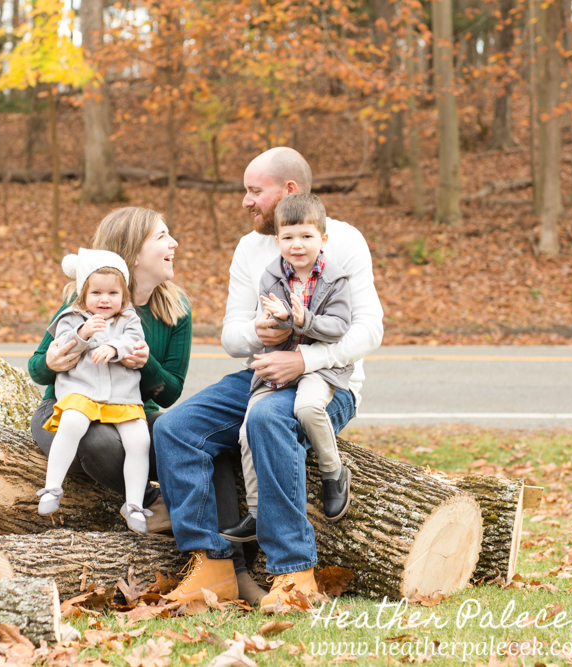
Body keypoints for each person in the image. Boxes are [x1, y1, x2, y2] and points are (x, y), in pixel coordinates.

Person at [154, 148, 384, 610]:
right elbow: (231, 334)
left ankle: (294, 573)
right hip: (264, 372)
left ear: (289, 191)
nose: (245, 201)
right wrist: (256, 332)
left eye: (255, 191)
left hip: (329, 383)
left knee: (268, 420)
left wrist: (305, 362)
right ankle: (214, 566)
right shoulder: (250, 248)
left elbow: (369, 329)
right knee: (175, 429)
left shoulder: (344, 240)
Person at [28, 207, 269, 603]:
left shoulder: (175, 310)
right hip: (66, 413)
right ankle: (159, 506)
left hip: (128, 412)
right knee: (98, 440)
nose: (173, 243)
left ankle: (232, 569)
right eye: (162, 236)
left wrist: (145, 364)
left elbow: (169, 392)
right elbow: (38, 368)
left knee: (208, 442)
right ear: (133, 254)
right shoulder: (87, 298)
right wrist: (52, 361)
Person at [219, 193, 353, 546]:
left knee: (307, 408)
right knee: (248, 430)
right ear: (277, 240)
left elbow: (339, 327)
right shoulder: (271, 277)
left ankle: (333, 471)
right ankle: (257, 511)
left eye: (307, 236)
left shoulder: (336, 279)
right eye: (289, 237)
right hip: (278, 364)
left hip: (318, 369)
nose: (297, 245)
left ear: (322, 239)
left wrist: (302, 320)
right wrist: (273, 324)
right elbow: (269, 325)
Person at [36, 249, 152, 534]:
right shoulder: (71, 317)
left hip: (122, 396)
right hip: (82, 392)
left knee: (139, 440)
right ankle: (52, 487)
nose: (104, 299)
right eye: (96, 293)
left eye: (113, 293)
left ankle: (135, 504)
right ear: (82, 295)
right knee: (72, 421)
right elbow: (62, 345)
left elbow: (135, 342)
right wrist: (83, 334)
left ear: (123, 296)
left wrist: (114, 347)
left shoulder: (129, 319)